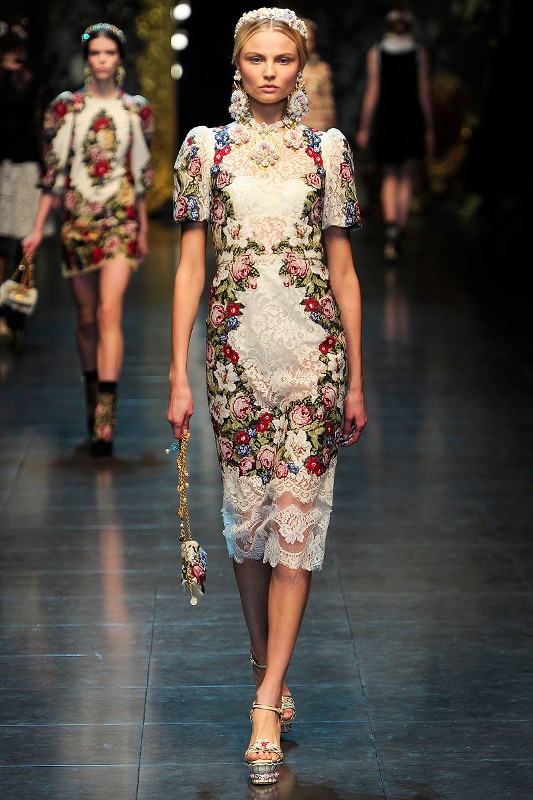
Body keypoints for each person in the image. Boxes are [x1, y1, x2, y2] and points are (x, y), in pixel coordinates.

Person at [167, 7, 367, 786]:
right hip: (235, 362)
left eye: (283, 59)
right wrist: (177, 371)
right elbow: (190, 266)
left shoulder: (327, 151)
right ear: (237, 64)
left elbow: (342, 270)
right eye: (256, 58)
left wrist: (357, 376)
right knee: (248, 536)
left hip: (313, 362)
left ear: (300, 67)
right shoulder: (205, 149)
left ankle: (263, 705)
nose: (269, 72)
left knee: (293, 529)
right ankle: (267, 669)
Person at [22, 22, 154, 455]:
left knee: (108, 311)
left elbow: (139, 174)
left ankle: (105, 421)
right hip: (76, 222)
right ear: (87, 58)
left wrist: (143, 227)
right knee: (86, 318)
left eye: (109, 53)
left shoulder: (136, 110)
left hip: (120, 220)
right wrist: (36, 229)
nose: (102, 60)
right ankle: (92, 396)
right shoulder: (67, 108)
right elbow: (53, 173)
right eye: (95, 53)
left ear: (119, 59)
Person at [355, 5, 435, 260]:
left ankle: (391, 228)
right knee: (404, 176)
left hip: (388, 119)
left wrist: (365, 127)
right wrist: (429, 128)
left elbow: (372, 92)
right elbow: (423, 92)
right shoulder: (418, 52)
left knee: (391, 175)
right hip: (410, 118)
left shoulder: (377, 52)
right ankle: (398, 228)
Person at [0, 16, 54, 345]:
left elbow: (40, 124)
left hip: (26, 167)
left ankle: (15, 313)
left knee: (25, 244)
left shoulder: (30, 79)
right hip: (4, 167)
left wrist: (48, 167)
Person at [300, 17, 337, 131]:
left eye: (310, 40)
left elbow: (328, 103)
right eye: (303, 40)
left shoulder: (322, 69)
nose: (307, 45)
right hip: (291, 129)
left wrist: (331, 130)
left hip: (317, 128)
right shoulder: (283, 68)